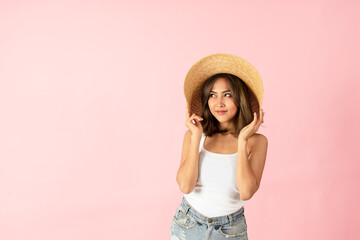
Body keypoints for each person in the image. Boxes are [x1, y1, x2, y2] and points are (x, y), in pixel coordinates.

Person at [170, 53, 268, 240]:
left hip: (229, 230)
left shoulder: (257, 142)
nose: (219, 103)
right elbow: (185, 185)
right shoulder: (193, 135)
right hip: (187, 224)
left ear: (240, 99)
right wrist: (197, 136)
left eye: (227, 95)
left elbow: (246, 192)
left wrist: (242, 140)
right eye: (212, 95)